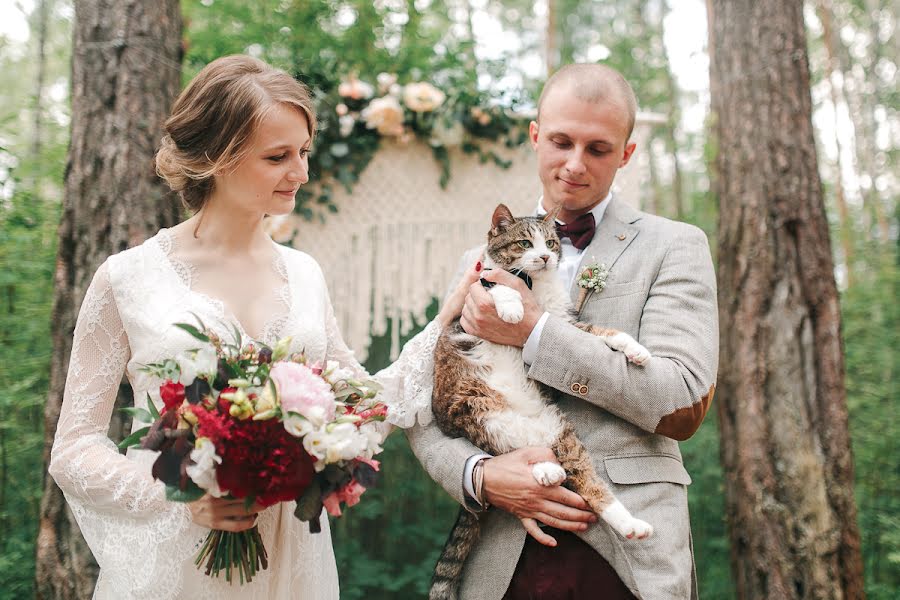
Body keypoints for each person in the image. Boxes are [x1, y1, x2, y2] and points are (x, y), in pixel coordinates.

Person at [48, 55, 476, 600]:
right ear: (215, 158)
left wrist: (443, 326)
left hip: (293, 565)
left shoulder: (304, 274)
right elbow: (75, 447)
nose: (300, 172)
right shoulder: (127, 278)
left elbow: (361, 408)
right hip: (174, 572)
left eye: (303, 152)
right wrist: (181, 489)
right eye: (277, 157)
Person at [407, 63, 719, 599]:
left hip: (628, 554)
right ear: (534, 137)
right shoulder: (476, 260)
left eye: (598, 149)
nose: (575, 164)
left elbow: (679, 398)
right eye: (560, 141)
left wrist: (537, 332)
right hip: (504, 548)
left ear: (626, 153)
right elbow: (423, 398)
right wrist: (480, 474)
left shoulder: (675, 246)